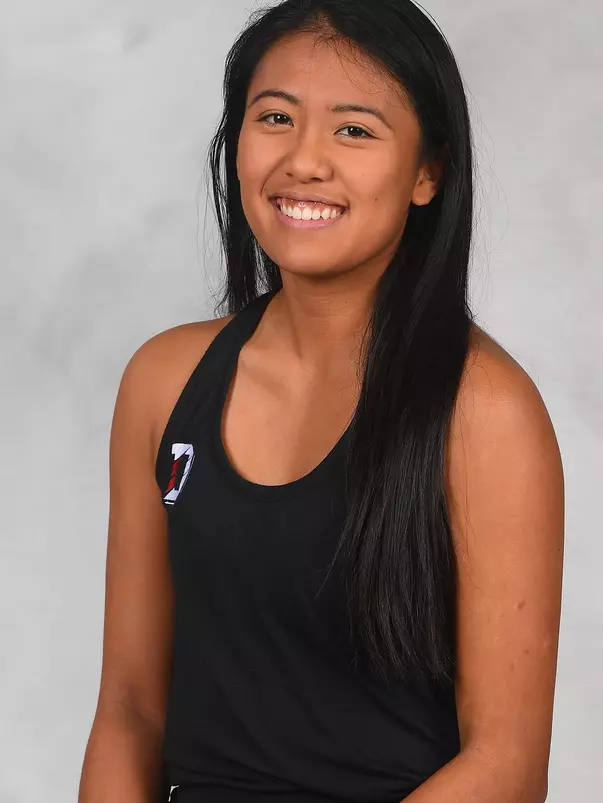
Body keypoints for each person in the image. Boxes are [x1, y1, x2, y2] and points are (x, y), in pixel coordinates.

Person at [78, 1, 564, 802]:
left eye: (354, 130)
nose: (304, 161)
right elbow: (130, 707)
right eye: (275, 118)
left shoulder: (483, 410)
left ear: (426, 172)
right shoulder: (162, 381)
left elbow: (506, 764)